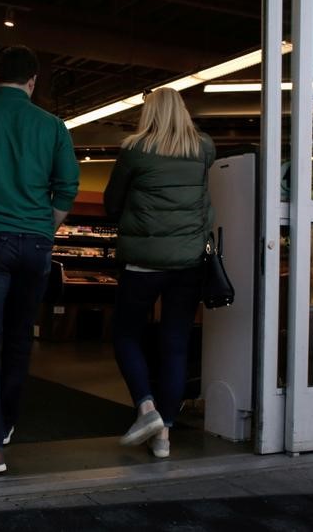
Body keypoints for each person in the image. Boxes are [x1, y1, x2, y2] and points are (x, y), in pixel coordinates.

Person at [0, 45, 80, 474]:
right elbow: (66, 188)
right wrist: (44, 226)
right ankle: (7, 422)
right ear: (32, 82)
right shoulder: (53, 126)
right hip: (36, 244)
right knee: (19, 339)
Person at [103, 87, 215, 459]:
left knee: (125, 334)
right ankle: (163, 435)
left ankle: (147, 409)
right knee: (175, 344)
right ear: (182, 111)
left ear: (148, 113)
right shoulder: (202, 149)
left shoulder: (135, 149)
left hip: (142, 263)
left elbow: (111, 203)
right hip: (187, 263)